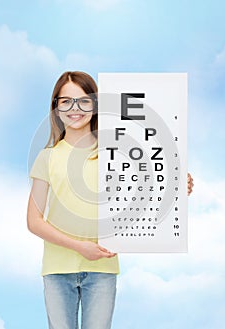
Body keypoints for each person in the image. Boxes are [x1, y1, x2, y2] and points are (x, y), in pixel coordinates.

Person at [27, 71, 194, 329]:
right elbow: (34, 221)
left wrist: (177, 186)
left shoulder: (113, 154)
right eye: (66, 101)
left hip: (103, 268)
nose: (75, 108)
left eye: (84, 100)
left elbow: (143, 190)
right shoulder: (47, 157)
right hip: (57, 269)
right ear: (56, 108)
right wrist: (79, 246)